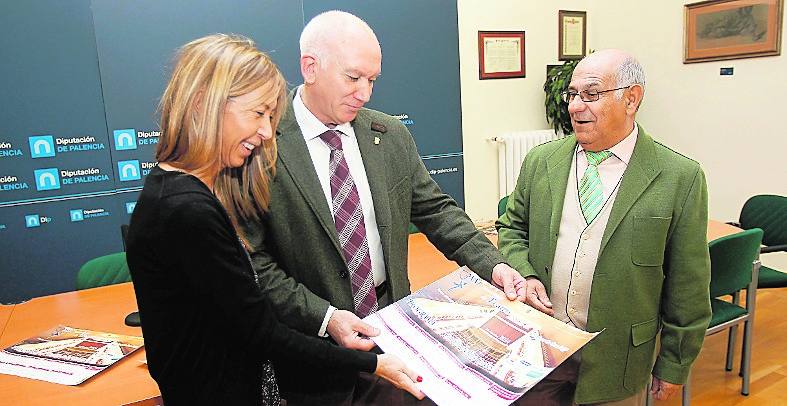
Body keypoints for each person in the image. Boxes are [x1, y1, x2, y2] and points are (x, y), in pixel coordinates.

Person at [244, 10, 527, 405]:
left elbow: (436, 211)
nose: (365, 93)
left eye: (372, 80)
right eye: (353, 77)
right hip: (314, 354)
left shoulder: (388, 135)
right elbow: (254, 261)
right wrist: (325, 319)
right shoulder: (262, 144)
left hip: (395, 333)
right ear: (310, 67)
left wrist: (493, 265)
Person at [126, 33, 424, 406]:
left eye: (271, 116)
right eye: (258, 114)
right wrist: (370, 363)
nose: (267, 132)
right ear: (205, 104)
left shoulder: (174, 191)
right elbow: (262, 332)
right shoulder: (187, 211)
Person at [497, 49, 712, 405]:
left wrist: (674, 366)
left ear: (632, 98)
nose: (575, 106)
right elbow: (512, 227)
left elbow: (688, 285)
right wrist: (525, 272)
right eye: (572, 94)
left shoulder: (680, 178)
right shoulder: (541, 162)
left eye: (591, 94)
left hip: (619, 362)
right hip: (537, 350)